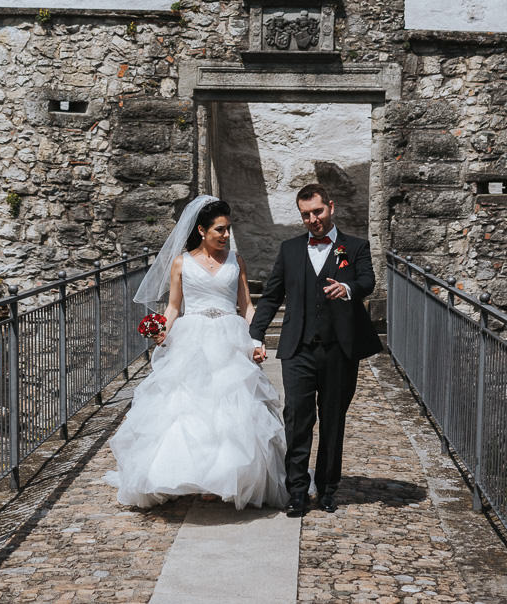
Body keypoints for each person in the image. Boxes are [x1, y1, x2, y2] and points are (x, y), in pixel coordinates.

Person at [105, 195, 287, 509]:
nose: (226, 235)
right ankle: (189, 474)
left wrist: (258, 342)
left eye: (228, 229)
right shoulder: (182, 262)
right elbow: (174, 307)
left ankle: (222, 478)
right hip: (193, 336)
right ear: (202, 230)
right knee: (189, 407)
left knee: (233, 410)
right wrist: (161, 329)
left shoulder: (236, 260)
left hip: (231, 337)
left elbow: (247, 307)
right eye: (220, 230)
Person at [248, 183, 382, 516]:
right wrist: (255, 334)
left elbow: (368, 281)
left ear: (331, 207)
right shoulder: (290, 250)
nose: (313, 219)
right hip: (298, 349)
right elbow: (272, 295)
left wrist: (348, 287)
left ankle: (326, 489)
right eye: (306, 215)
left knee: (333, 420)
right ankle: (296, 490)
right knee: (297, 419)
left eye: (318, 212)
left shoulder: (355, 247)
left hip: (339, 350)